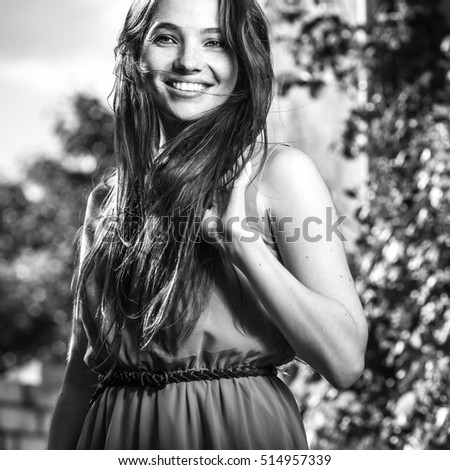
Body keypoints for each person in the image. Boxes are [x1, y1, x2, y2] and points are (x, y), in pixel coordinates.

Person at [48, 0, 368, 450]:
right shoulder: (107, 200)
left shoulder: (280, 174)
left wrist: (243, 246)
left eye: (215, 42)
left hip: (236, 437)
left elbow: (345, 360)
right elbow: (80, 379)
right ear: (134, 56)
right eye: (166, 37)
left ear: (243, 60)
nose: (189, 61)